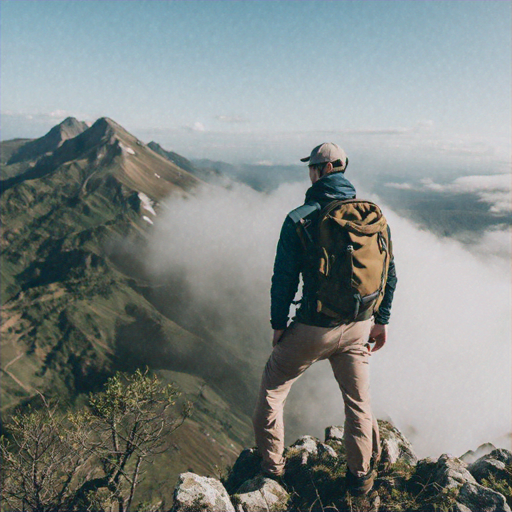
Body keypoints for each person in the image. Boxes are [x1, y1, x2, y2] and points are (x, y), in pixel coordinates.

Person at [252, 142, 397, 496]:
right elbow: (389, 273)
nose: (311, 172)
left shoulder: (300, 218)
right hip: (359, 323)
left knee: (273, 386)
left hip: (314, 327)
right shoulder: (373, 216)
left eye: (312, 167)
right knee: (358, 403)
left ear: (324, 169)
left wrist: (279, 324)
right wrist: (382, 320)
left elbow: (283, 278)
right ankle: (360, 481)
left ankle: (273, 472)